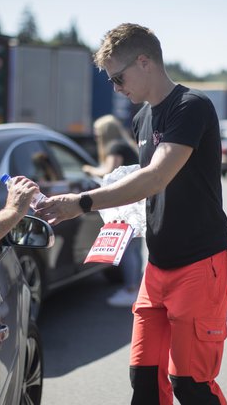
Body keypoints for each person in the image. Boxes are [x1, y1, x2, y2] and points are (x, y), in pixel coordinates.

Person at [35, 23, 227, 405]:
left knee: (190, 386)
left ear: (144, 62)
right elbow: (148, 186)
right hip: (158, 268)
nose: (115, 88)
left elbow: (157, 176)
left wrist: (82, 202)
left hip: (201, 263)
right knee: (143, 382)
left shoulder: (191, 106)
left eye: (118, 77)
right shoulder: (142, 118)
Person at [82, 114, 144, 307]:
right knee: (135, 248)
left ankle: (130, 290)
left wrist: (88, 169)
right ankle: (137, 288)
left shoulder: (115, 147)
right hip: (136, 201)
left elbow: (107, 171)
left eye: (97, 133)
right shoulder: (126, 146)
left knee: (126, 249)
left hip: (125, 203)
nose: (95, 136)